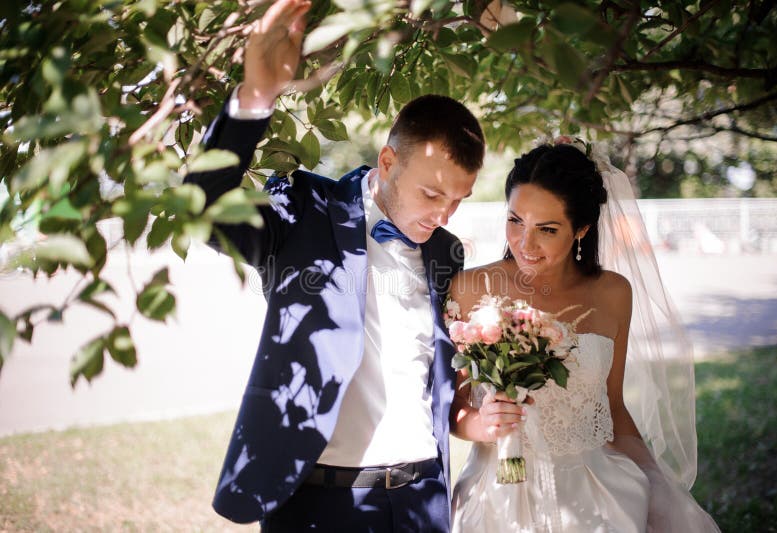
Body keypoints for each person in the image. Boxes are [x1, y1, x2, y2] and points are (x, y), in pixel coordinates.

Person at [183, 0, 485, 530]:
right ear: (388, 161)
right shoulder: (303, 208)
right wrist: (255, 97)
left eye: (457, 200)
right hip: (317, 504)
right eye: (432, 193)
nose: (443, 215)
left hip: (421, 502)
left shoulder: (445, 251)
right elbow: (203, 207)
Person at [448, 141, 720, 532]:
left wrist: (659, 484)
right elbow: (452, 407)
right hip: (496, 497)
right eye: (515, 221)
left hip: (596, 494)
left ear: (582, 230)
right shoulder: (470, 287)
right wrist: (483, 424)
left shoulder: (613, 293)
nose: (525, 243)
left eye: (547, 229)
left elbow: (611, 405)